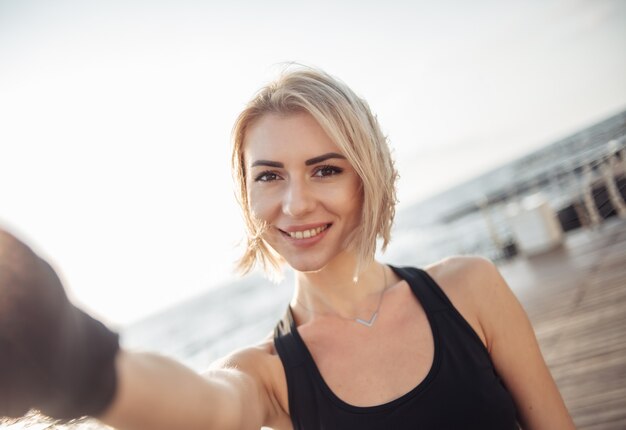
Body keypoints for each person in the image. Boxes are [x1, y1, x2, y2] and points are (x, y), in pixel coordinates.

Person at [0, 67, 575, 429]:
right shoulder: (269, 374)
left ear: (365, 175)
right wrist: (79, 369)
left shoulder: (470, 288)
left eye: (324, 170)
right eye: (269, 176)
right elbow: (208, 407)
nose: (295, 204)